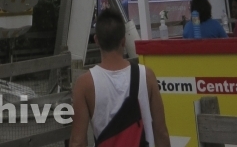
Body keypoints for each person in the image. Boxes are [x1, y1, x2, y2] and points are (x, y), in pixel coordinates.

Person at [71, 8, 170, 147]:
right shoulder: (146, 76)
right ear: (123, 41)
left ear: (96, 40)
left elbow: (78, 142)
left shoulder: (85, 83)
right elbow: (161, 132)